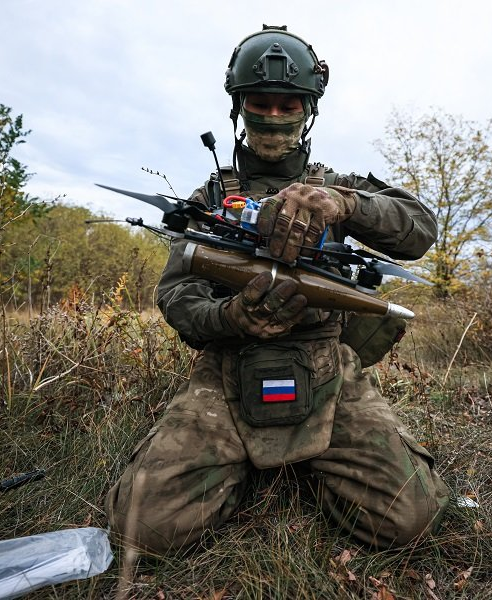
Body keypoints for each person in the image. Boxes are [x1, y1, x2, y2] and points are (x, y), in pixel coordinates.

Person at [105, 25, 450, 553]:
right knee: (141, 528)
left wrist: (345, 204)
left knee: (410, 519)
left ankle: (307, 460)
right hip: (225, 371)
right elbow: (177, 296)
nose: (271, 116)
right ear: (239, 107)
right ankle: (239, 465)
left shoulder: (338, 187)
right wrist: (232, 319)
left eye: (287, 104)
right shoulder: (209, 199)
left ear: (307, 108)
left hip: (328, 368)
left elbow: (420, 230)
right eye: (259, 103)